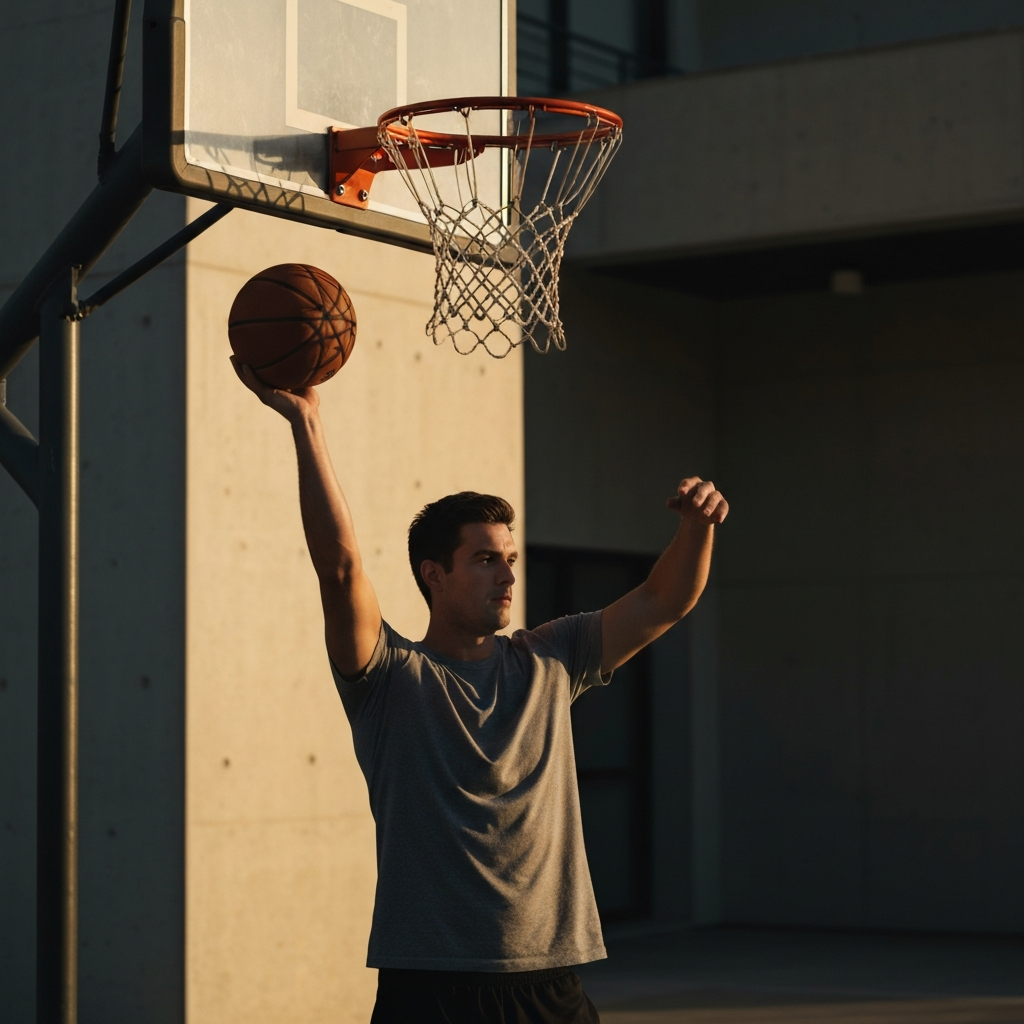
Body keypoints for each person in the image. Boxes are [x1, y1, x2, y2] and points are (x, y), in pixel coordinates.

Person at [232, 357, 729, 1024]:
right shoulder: (390, 678)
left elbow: (664, 599)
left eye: (511, 559)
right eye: (486, 559)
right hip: (430, 985)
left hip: (549, 980)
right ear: (433, 574)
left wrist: (697, 526)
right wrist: (307, 423)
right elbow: (342, 567)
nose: (507, 575)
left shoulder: (553, 658)